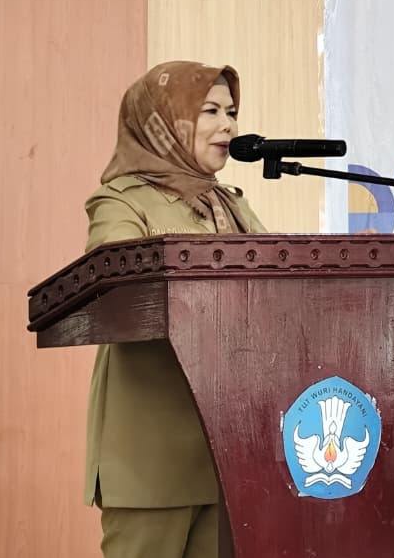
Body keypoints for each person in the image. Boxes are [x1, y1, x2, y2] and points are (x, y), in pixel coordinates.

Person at [83, 61, 265, 558]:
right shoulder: (121, 201)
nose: (229, 126)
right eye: (210, 111)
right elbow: (117, 290)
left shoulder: (232, 206)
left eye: (231, 112)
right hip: (151, 455)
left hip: (229, 452)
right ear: (164, 122)